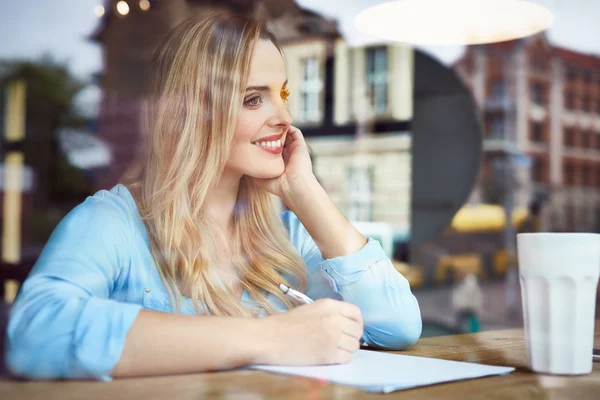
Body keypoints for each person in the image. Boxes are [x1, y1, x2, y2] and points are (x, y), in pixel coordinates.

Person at [4, 11, 422, 381]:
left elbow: (397, 325)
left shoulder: (285, 232)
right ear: (192, 113)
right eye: (253, 99)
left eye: (284, 95)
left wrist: (305, 192)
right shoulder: (113, 222)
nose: (285, 118)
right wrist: (271, 337)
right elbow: (36, 334)